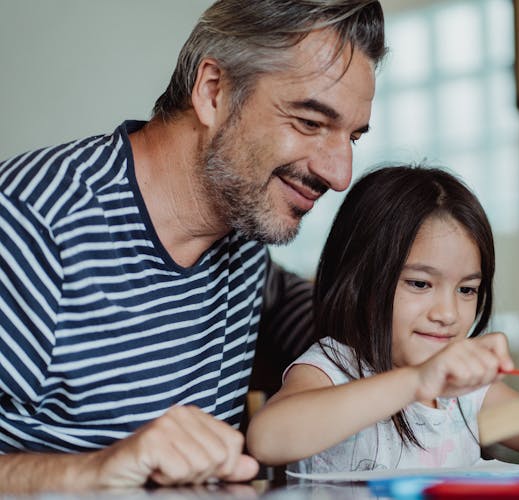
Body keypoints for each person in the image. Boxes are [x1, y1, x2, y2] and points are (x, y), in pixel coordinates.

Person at [0, 0, 386, 493]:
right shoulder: (31, 225)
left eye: (352, 136)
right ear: (213, 91)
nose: (339, 174)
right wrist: (91, 472)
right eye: (309, 122)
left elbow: (291, 301)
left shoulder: (243, 236)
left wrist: (389, 326)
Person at [246, 165, 519, 473]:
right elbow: (267, 438)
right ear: (359, 280)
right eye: (419, 284)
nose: (447, 313)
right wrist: (417, 381)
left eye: (467, 290)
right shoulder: (332, 368)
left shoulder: (465, 392)